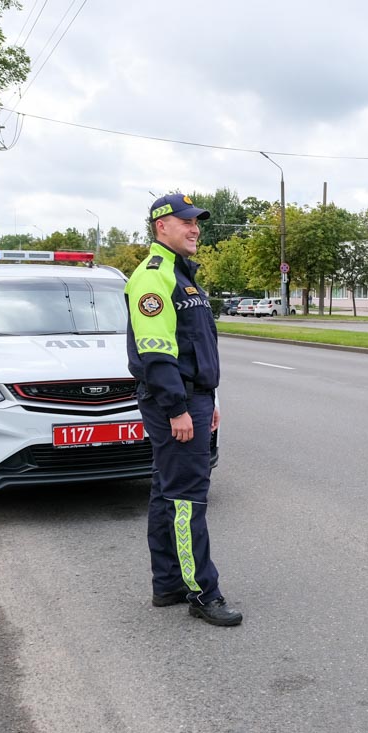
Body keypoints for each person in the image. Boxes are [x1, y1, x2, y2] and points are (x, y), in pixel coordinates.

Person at [125, 192, 243, 627]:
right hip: (174, 400)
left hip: (192, 397)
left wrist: (208, 401)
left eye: (197, 222)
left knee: (166, 492)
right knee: (187, 500)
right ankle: (201, 592)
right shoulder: (154, 276)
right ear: (161, 227)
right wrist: (178, 408)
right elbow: (156, 354)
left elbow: (195, 347)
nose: (195, 229)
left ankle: (169, 582)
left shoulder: (181, 274)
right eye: (186, 222)